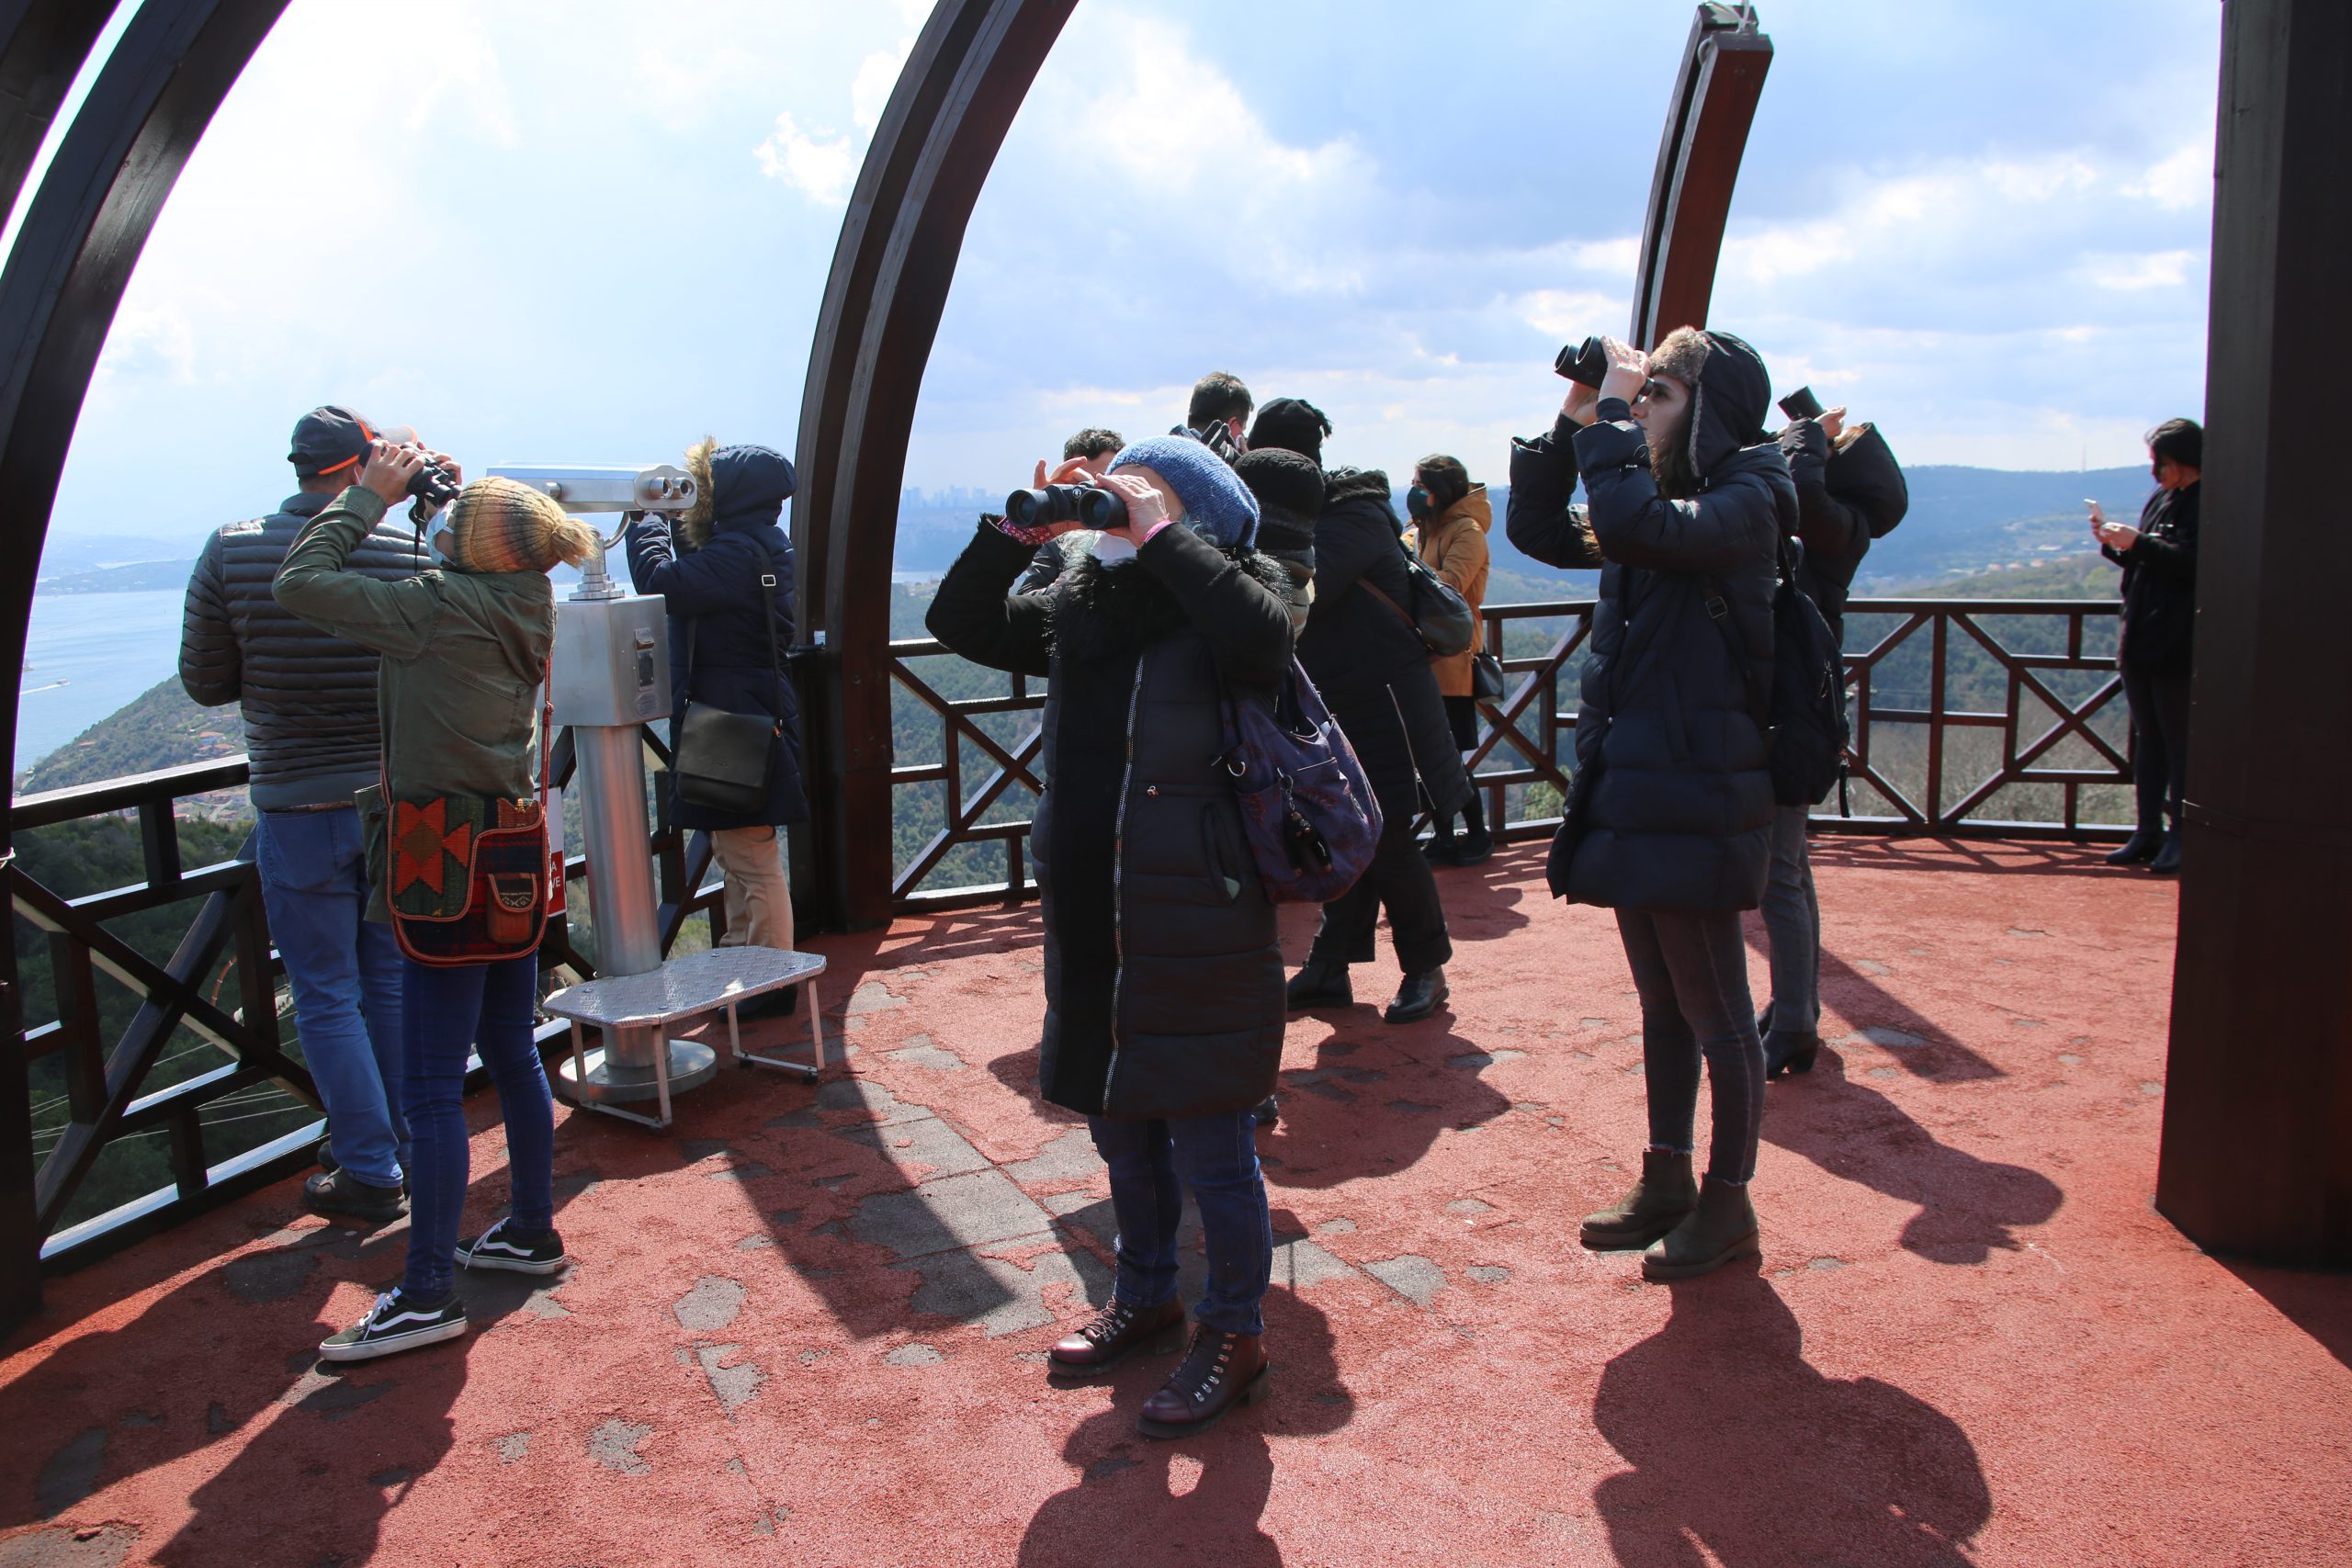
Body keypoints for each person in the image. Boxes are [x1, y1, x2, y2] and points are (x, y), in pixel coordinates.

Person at [926, 434, 1292, 1439]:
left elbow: (1265, 639)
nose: (1118, 508)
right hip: (1094, 898)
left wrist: (1160, 531)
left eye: (1146, 491)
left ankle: (1236, 1330)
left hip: (1198, 903)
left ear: (1194, 517)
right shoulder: (1087, 604)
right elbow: (960, 622)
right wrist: (1021, 533)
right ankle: (1146, 1292)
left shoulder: (1236, 600)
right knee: (1119, 1118)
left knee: (1212, 1136)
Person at [277, 449, 594, 1361]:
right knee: (513, 1053)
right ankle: (529, 1228)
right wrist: (436, 512)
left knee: (426, 1088)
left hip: (440, 867)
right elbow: (465, 557)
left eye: (460, 518)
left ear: (476, 546)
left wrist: (364, 497)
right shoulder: (524, 597)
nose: (445, 522)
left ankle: (424, 1294)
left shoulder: (434, 608)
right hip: (510, 857)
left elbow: (302, 583)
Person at [1506, 328, 1792, 1281]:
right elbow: (1540, 530)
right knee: (1664, 1001)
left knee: (1720, 1015)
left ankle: (1729, 1202)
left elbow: (1633, 528)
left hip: (1702, 786)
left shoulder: (1748, 495)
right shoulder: (1660, 500)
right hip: (1642, 782)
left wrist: (1615, 419)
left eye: (1660, 393)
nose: (1641, 405)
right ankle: (1666, 1177)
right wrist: (1577, 412)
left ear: (1709, 410)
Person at [178, 406, 431, 1224]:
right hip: (393, 801)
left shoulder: (231, 546)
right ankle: (395, 1141)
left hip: (296, 802)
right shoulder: (405, 549)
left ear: (299, 467)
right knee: (388, 979)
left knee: (324, 992)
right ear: (364, 464)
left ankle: (368, 1165)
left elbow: (205, 681)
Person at [1256, 410, 1468, 1025]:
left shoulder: (1353, 515)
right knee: (1339, 828)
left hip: (1386, 704)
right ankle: (1330, 966)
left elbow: (1299, 586)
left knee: (1389, 836)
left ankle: (1426, 968)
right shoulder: (1320, 516)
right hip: (1336, 705)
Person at [625, 441, 810, 1001]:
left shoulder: (737, 553)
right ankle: (744, 963)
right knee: (737, 852)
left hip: (733, 717)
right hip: (744, 709)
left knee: (750, 856)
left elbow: (660, 581)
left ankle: (770, 983)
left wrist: (646, 517)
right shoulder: (756, 543)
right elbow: (695, 572)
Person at [1756, 403, 1909, 1076]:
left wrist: (1808, 434)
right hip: (1801, 707)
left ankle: (1795, 1020)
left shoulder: (1837, 526)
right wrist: (1809, 429)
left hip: (1792, 711)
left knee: (1779, 878)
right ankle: (1799, 1004)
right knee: (1791, 871)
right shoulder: (1835, 528)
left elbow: (1801, 491)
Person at [2094, 419, 2201, 876]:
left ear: (2183, 461)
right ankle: (2147, 831)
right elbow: (2151, 560)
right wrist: (2117, 545)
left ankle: (2183, 833)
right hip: (2139, 635)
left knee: (2179, 743)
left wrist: (2138, 542)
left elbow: (2193, 564)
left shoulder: (2209, 502)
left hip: (2178, 641)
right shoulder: (2162, 498)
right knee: (2147, 741)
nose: (2155, 471)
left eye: (2161, 462)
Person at [1411, 454, 1495, 866]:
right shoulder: (1424, 529)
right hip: (1425, 655)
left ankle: (1477, 834)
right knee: (1428, 755)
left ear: (1438, 491)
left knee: (1446, 755)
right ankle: (1444, 835)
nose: (1414, 492)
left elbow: (1453, 585)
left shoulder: (1467, 531)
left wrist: (1405, 572)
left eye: (1420, 485)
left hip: (1453, 656)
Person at [1016, 426, 1126, 593]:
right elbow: (1025, 599)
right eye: (1082, 486)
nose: (1093, 495)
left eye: (1104, 482)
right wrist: (1041, 520)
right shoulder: (1058, 542)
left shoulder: (1144, 532)